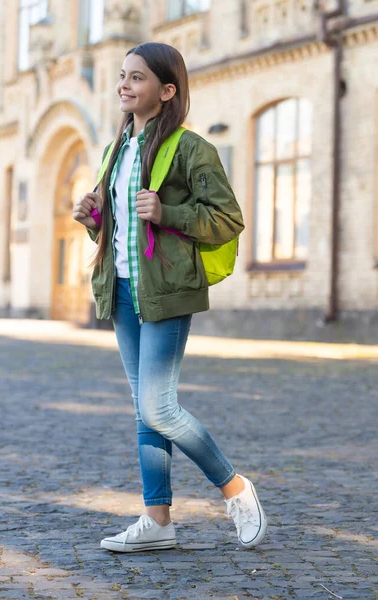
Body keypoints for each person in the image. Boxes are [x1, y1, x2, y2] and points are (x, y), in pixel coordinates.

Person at [73, 42, 267, 553]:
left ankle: (235, 488)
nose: (124, 84)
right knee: (145, 409)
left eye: (136, 78)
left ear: (167, 90)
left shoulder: (191, 148)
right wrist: (94, 217)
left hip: (168, 293)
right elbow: (120, 228)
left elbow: (227, 220)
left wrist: (167, 213)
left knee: (158, 408)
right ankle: (157, 520)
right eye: (122, 76)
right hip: (122, 292)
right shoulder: (116, 150)